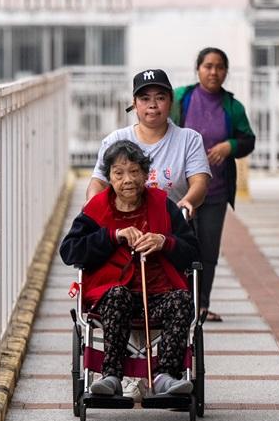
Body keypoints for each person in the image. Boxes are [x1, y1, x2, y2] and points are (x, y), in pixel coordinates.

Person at [61, 140, 201, 397]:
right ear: (109, 178)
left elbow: (193, 251)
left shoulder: (162, 203)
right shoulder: (96, 208)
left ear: (146, 175)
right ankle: (111, 375)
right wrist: (113, 236)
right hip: (113, 293)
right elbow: (69, 251)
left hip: (157, 291)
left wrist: (164, 242)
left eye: (135, 172)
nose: (128, 179)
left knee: (182, 300)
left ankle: (165, 376)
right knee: (117, 295)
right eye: (119, 173)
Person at [171, 47, 256, 322]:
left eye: (219, 67)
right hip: (179, 191)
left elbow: (248, 140)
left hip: (216, 192)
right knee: (178, 246)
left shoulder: (232, 106)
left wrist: (229, 146)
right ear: (197, 69)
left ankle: (201, 305)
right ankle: (178, 303)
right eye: (208, 66)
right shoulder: (181, 99)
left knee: (208, 251)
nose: (213, 72)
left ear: (226, 72)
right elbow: (162, 127)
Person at [86, 69, 211, 216]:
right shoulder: (115, 140)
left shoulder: (189, 139)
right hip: (123, 227)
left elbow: (200, 182)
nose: (152, 105)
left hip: (171, 226)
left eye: (160, 98)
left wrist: (187, 201)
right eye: (145, 99)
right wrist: (93, 204)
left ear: (171, 101)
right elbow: (99, 181)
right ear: (134, 103)